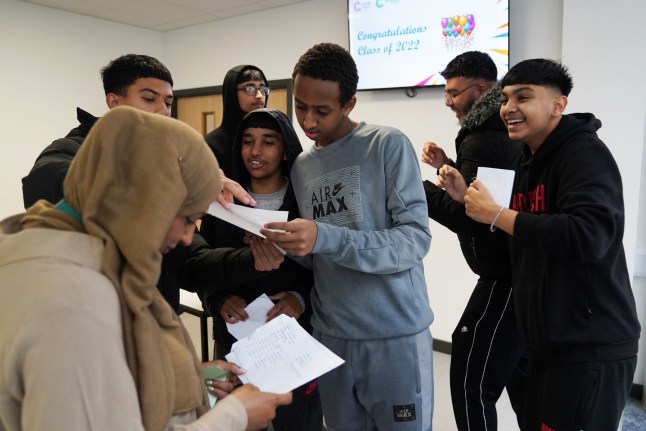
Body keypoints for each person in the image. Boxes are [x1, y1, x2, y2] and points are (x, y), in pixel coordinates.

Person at [0, 106, 292, 430]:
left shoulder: (54, 249)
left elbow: (109, 391)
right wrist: (235, 417)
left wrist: (188, 381)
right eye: (184, 218)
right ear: (144, 201)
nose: (185, 237)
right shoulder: (75, 302)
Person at [440, 58, 640, 431]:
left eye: (524, 97)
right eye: (506, 98)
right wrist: (462, 195)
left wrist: (499, 215)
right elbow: (525, 232)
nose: (509, 108)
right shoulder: (529, 163)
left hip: (588, 347)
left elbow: (588, 235)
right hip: (547, 344)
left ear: (557, 105)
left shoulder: (584, 154)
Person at [261, 42, 434, 431]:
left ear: (350, 103)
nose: (308, 120)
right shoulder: (303, 166)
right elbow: (318, 255)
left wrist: (324, 237)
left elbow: (414, 240)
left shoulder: (386, 145)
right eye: (300, 106)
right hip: (331, 334)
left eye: (322, 110)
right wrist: (286, 246)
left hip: (393, 334)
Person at [19, 53, 259, 313]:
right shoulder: (72, 150)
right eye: (148, 99)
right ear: (114, 102)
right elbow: (48, 183)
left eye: (168, 103)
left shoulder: (159, 164)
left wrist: (254, 257)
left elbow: (190, 261)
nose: (162, 111)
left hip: (151, 327)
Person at [199, 108, 323, 431]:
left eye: (268, 142)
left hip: (294, 341)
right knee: (232, 420)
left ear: (285, 151)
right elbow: (202, 267)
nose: (256, 152)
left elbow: (326, 269)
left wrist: (300, 299)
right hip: (234, 340)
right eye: (248, 142)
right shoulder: (223, 203)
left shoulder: (305, 202)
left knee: (296, 421)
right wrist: (218, 300)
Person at [420, 51, 526, 430]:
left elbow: (469, 217)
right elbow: (477, 194)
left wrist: (413, 189)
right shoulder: (491, 136)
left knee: (469, 381)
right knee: (522, 382)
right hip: (515, 273)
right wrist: (447, 162)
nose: (448, 102)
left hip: (503, 278)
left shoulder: (485, 139)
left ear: (481, 89)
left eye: (453, 93)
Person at [204, 65, 269, 177]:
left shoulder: (273, 136)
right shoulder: (211, 145)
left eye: (263, 89)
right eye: (250, 89)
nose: (259, 96)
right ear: (232, 93)